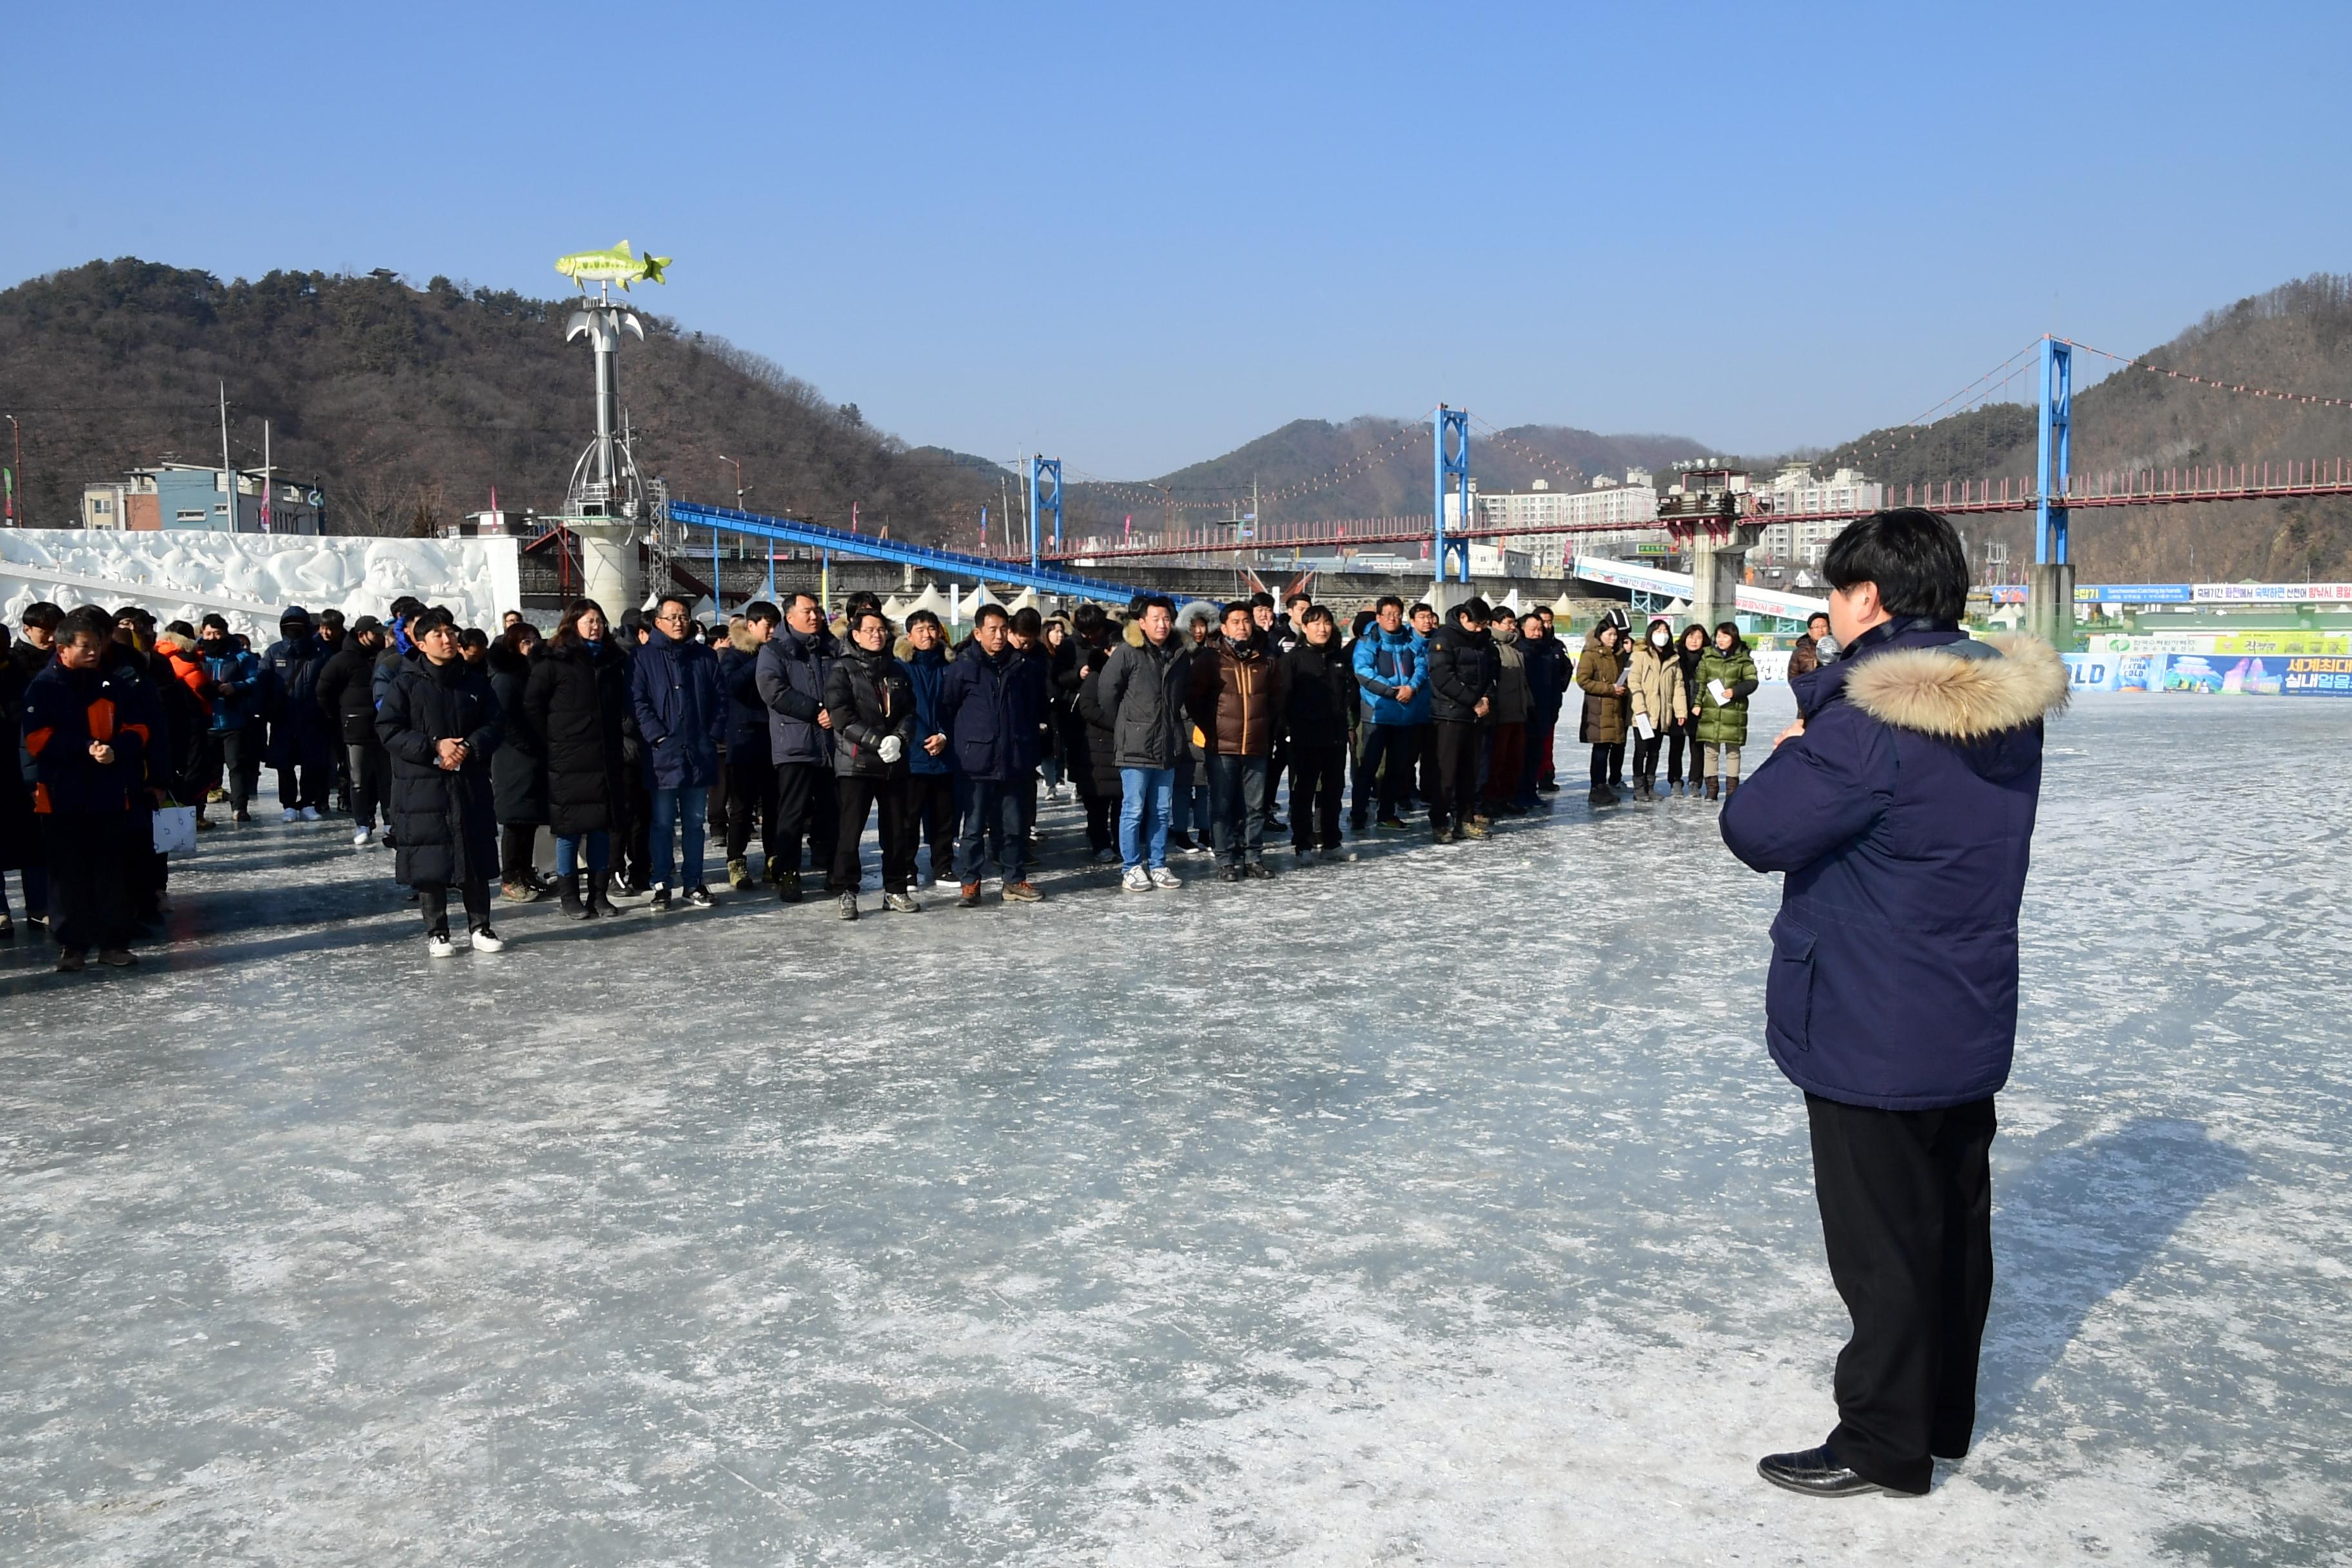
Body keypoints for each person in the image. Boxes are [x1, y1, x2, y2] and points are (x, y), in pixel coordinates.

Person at [1721, 507, 2068, 1501]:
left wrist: (1796, 742)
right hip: (1963, 998)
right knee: (1952, 1226)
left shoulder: (1870, 719)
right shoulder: (2001, 708)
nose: (1827, 614)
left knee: (1882, 1245)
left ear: (1869, 598)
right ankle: (1941, 1418)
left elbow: (1755, 829)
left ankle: (1882, 1441)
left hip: (1871, 1012)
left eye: (1834, 594)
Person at [19, 607, 152, 970]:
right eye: (84, 646)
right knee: (66, 875)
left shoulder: (113, 684)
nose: (93, 651)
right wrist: (85, 749)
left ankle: (113, 943)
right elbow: (35, 739)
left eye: (96, 645)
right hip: (61, 795)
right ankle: (72, 945)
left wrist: (116, 750)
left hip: (108, 793)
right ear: (63, 649)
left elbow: (138, 729)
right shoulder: (44, 688)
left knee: (110, 871)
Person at [376, 608, 505, 956]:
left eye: (451, 634)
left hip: (468, 781)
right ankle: (438, 931)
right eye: (438, 635)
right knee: (429, 859)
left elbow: (495, 724)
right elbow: (388, 730)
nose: (448, 640)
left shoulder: (475, 682)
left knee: (474, 853)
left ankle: (481, 927)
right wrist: (434, 747)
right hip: (422, 785)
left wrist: (468, 748)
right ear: (421, 643)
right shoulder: (405, 683)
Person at [525, 598, 632, 919]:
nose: (595, 626)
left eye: (599, 620)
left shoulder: (613, 662)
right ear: (572, 624)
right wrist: (552, 741)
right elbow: (532, 706)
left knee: (602, 828)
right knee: (569, 830)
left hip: (605, 757)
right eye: (588, 620)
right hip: (568, 759)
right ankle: (570, 896)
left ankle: (599, 895)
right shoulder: (554, 662)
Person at [939, 603, 1047, 905]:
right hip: (976, 762)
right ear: (978, 633)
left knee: (1014, 827)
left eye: (1004, 629)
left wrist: (1027, 742)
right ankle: (970, 883)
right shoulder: (963, 668)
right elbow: (947, 709)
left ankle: (1013, 879)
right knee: (973, 829)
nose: (999, 636)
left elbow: (1034, 708)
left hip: (1014, 760)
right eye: (992, 630)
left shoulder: (1023, 668)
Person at [822, 607, 921, 918]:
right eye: (870, 630)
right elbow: (841, 716)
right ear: (855, 635)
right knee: (850, 831)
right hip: (857, 763)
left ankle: (895, 889)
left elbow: (909, 712)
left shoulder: (898, 670)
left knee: (897, 831)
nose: (877, 635)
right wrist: (878, 742)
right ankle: (847, 890)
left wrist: (900, 739)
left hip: (894, 763)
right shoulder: (842, 669)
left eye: (881, 629)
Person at [1091, 593, 1191, 891]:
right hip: (1135, 745)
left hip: (1168, 743)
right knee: (1133, 809)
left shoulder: (1179, 653)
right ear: (1142, 622)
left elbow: (1184, 692)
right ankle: (1132, 866)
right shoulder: (1128, 651)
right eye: (1156, 619)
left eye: (1167, 618)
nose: (1162, 624)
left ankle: (1158, 864)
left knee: (1162, 809)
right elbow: (1107, 692)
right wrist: (1128, 724)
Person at [630, 594, 725, 910]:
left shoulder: (705, 657)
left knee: (696, 823)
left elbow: (720, 699)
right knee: (662, 824)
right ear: (657, 622)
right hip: (662, 756)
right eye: (671, 617)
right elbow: (638, 701)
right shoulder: (643, 657)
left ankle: (694, 882)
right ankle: (661, 883)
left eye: (683, 616)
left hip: (698, 751)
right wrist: (656, 736)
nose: (679, 622)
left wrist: (712, 734)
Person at [1186, 600, 1286, 881]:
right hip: (1222, 745)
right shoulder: (1211, 659)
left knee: (1255, 807)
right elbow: (1194, 700)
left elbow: (1276, 699)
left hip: (1257, 744)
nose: (1242, 627)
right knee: (1222, 804)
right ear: (1224, 626)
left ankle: (1253, 856)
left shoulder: (1265, 659)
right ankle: (1225, 859)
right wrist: (1212, 729)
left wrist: (1267, 729)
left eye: (1246, 621)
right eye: (1236, 622)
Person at [755, 591, 838, 905]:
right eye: (808, 611)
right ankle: (788, 873)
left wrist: (836, 710)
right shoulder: (775, 650)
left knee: (833, 810)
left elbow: (845, 683)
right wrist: (815, 710)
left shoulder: (831, 647)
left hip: (830, 745)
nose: (815, 616)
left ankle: (834, 869)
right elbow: (773, 690)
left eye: (817, 610)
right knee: (791, 813)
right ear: (790, 617)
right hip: (795, 744)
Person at [1279, 605, 1351, 861]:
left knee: (1333, 791)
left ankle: (1331, 841)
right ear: (1304, 627)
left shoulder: (1338, 658)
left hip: (1334, 736)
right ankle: (1303, 843)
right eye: (1317, 624)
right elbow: (1283, 698)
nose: (1323, 629)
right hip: (1305, 736)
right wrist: (1289, 730)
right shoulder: (1293, 660)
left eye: (1327, 623)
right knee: (1304, 792)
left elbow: (1347, 696)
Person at [719, 602, 781, 889]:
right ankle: (736, 860)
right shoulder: (733, 655)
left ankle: (774, 857)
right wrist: (762, 659)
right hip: (744, 738)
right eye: (766, 625)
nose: (771, 630)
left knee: (773, 804)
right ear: (751, 626)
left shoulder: (781, 653)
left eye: (774, 625)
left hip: (775, 738)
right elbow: (730, 685)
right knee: (741, 806)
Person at [1350, 595, 1426, 832]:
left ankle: (1387, 813)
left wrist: (1412, 687)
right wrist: (1393, 692)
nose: (1393, 619)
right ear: (1379, 617)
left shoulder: (1411, 640)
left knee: (1397, 768)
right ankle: (1358, 813)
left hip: (1405, 715)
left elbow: (1423, 665)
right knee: (1368, 768)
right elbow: (1363, 672)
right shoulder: (1368, 641)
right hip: (1377, 714)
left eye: (1397, 614)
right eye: (1388, 614)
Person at [1424, 597, 1497, 843]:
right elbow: (1443, 677)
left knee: (1470, 772)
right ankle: (1439, 822)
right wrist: (1472, 701)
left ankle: (1465, 820)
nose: (1480, 630)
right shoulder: (1444, 638)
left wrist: (1486, 697)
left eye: (1484, 625)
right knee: (1446, 773)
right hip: (1449, 714)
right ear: (1464, 618)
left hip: (1475, 716)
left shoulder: (1483, 640)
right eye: (1477, 625)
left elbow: (1491, 672)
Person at [487, 622, 549, 902]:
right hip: (513, 758)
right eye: (525, 641)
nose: (532, 645)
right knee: (515, 821)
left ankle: (526, 872)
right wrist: (530, 745)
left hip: (534, 756)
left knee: (530, 819)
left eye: (535, 639)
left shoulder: (534, 674)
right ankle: (511, 877)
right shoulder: (505, 679)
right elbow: (504, 721)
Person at [317, 616, 391, 844]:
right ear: (362, 635)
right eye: (375, 634)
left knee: (387, 779)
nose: (379, 637)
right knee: (358, 779)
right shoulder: (342, 660)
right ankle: (362, 823)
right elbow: (323, 691)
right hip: (356, 728)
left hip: (386, 727)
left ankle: (390, 822)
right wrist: (340, 715)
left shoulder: (385, 658)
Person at [899, 610, 958, 888]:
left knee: (944, 817)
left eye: (932, 628)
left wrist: (944, 736)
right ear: (909, 636)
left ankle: (944, 866)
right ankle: (907, 868)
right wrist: (923, 738)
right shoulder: (900, 667)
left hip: (946, 753)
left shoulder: (951, 667)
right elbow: (901, 710)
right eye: (920, 629)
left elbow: (957, 709)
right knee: (909, 818)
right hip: (912, 754)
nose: (927, 634)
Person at [262, 606, 335, 821]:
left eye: (298, 628)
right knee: (285, 765)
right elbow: (262, 681)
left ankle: (308, 803)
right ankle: (289, 805)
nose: (294, 632)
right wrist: (261, 710)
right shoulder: (274, 652)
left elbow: (331, 683)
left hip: (313, 717)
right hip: (283, 717)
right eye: (289, 628)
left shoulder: (321, 653)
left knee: (311, 763)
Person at [1062, 607, 1121, 864]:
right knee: (1096, 799)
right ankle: (1099, 841)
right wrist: (1077, 675)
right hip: (1089, 738)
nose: (1090, 637)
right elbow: (1058, 679)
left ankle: (1122, 843)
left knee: (1121, 800)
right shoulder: (1072, 650)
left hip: (1120, 743)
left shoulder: (1117, 638)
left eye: (1094, 632)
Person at [0, 624, 44, 938]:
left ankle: (38, 906)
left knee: (33, 844)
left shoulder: (24, 680)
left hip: (21, 773)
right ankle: (0, 910)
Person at [1694, 621, 1761, 801]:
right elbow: (1700, 683)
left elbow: (1752, 681)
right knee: (1711, 752)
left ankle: (1732, 790)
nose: (1721, 639)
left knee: (1733, 752)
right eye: (1719, 636)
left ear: (1734, 638)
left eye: (1725, 636)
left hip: (1734, 711)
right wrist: (1697, 704)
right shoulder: (1708, 657)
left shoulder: (1743, 659)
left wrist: (1735, 691)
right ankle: (1711, 790)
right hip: (1711, 711)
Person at [1625, 617, 1688, 801]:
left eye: (1665, 632)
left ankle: (1650, 786)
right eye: (1658, 631)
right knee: (1641, 750)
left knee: (1655, 751)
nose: (1662, 635)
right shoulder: (1639, 655)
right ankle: (1639, 788)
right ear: (1650, 634)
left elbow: (1679, 686)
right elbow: (1633, 682)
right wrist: (1640, 708)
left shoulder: (1673, 659)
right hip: (1643, 713)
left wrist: (1681, 711)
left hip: (1662, 713)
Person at [1573, 617, 1631, 807]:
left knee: (1612, 747)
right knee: (1600, 749)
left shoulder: (1618, 654)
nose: (1613, 638)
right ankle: (1596, 787)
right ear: (1600, 635)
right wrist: (1610, 689)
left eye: (1615, 635)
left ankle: (1605, 785)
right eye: (1609, 635)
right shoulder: (1591, 654)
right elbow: (1583, 680)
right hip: (1598, 709)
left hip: (1615, 709)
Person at [1484, 610, 1531, 816]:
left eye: (1514, 623)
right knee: (1497, 759)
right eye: (1508, 623)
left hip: (1518, 713)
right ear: (1495, 624)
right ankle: (1492, 798)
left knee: (1514, 759)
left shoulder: (1515, 648)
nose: (1513, 627)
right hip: (1501, 713)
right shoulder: (1491, 647)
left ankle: (1507, 797)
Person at [1519, 611, 1569, 805]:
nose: (1538, 633)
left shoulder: (1549, 651)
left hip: (1545, 711)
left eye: (1540, 629)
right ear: (1523, 629)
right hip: (1524, 712)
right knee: (1521, 756)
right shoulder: (1520, 651)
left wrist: (1555, 703)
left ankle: (1531, 791)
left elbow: (1560, 678)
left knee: (1536, 754)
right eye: (1533, 629)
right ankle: (1519, 793)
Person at [1668, 623, 1708, 795]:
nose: (1694, 641)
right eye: (1691, 637)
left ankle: (1695, 782)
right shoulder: (1676, 657)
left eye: (1698, 638)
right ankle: (1675, 781)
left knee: (1697, 747)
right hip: (1679, 707)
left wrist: (1701, 703)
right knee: (1676, 746)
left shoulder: (1708, 658)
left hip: (1700, 708)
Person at [1788, 610, 1841, 677]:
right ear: (1809, 631)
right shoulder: (1799, 653)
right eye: (1816, 627)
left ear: (1829, 629)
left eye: (1824, 626)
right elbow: (1793, 678)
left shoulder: (1838, 648)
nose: (1821, 630)